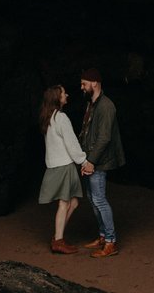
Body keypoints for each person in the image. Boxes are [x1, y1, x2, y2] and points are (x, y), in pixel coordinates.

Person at [78, 67, 126, 258]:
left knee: (99, 200)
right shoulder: (93, 103)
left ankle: (110, 242)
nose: (81, 87)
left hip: (98, 161)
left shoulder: (106, 106)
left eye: (84, 83)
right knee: (92, 198)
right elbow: (88, 134)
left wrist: (90, 161)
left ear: (94, 82)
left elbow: (104, 138)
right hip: (90, 159)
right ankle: (102, 235)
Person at [38, 84, 92, 254]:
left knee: (73, 202)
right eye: (63, 93)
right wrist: (84, 161)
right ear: (57, 98)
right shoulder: (61, 118)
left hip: (55, 165)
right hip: (63, 165)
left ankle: (57, 237)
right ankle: (59, 241)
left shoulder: (48, 117)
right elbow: (72, 144)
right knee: (65, 203)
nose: (66, 95)